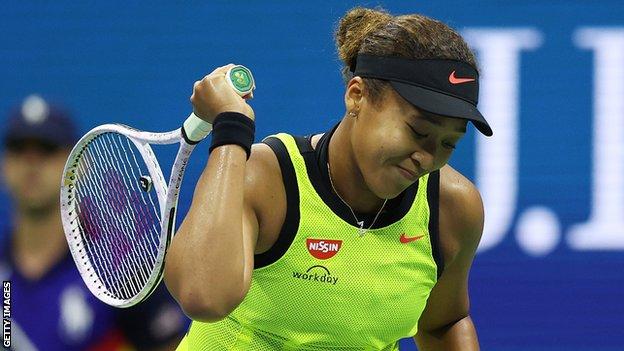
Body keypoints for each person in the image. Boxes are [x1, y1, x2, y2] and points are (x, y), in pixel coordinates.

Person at [165, 7, 491, 351]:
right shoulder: (266, 178)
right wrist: (232, 129)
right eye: (417, 131)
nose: (427, 157)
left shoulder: (451, 207)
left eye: (448, 143)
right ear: (357, 95)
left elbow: (443, 321)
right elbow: (203, 296)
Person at [0, 95, 189, 351]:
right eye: (19, 150)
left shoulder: (125, 269)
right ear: (4, 165)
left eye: (47, 150)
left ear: (79, 165)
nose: (32, 163)